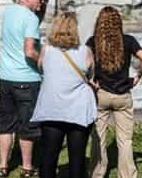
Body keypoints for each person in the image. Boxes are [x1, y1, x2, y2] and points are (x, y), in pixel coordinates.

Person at [31, 12, 97, 178]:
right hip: (78, 110)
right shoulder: (85, 51)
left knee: (49, 156)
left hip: (52, 108)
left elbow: (41, 69)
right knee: (77, 157)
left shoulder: (46, 50)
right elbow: (91, 75)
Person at [89, 6, 142, 178]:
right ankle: (127, 174)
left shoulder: (93, 42)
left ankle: (97, 172)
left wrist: (91, 81)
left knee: (98, 138)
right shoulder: (128, 41)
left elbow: (83, 65)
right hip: (123, 94)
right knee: (125, 140)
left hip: (100, 93)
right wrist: (137, 77)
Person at [0, 0, 47, 178]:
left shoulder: (9, 11)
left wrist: (41, 7)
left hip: (6, 77)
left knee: (6, 124)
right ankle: (26, 167)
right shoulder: (31, 18)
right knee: (27, 126)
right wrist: (44, 60)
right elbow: (29, 51)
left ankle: (3, 166)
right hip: (27, 78)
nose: (41, 1)